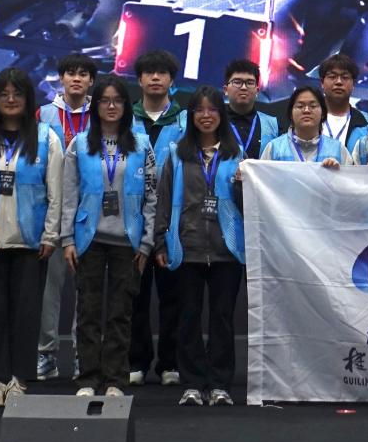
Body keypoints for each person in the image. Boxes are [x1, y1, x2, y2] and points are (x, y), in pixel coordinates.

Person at [0, 67, 66, 408]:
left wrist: (51, 235)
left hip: (31, 242)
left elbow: (56, 192)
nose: (10, 99)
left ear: (27, 98)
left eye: (17, 93)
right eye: (4, 94)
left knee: (25, 314)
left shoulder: (47, 138)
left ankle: (19, 380)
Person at [66, 75, 161, 397]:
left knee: (121, 314)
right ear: (95, 105)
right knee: (88, 313)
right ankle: (88, 379)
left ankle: (115, 380)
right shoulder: (80, 144)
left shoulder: (141, 144)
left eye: (117, 100)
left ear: (126, 106)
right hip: (89, 240)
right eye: (105, 100)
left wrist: (146, 243)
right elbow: (69, 195)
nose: (111, 106)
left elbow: (152, 196)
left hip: (128, 242)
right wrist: (67, 240)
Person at [153, 87, 246, 406]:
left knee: (222, 318)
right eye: (199, 110)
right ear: (191, 116)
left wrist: (242, 185)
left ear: (222, 114)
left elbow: (246, 203)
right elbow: (163, 199)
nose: (206, 116)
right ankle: (192, 383)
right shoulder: (177, 154)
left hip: (227, 248)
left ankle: (219, 384)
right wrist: (160, 241)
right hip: (186, 246)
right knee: (188, 317)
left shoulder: (236, 154)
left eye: (213, 109)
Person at [37, 53, 97, 380]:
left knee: (86, 291)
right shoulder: (43, 114)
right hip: (51, 210)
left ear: (91, 81)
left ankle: (80, 354)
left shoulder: (100, 115)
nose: (76, 79)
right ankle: (45, 353)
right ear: (61, 78)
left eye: (83, 74)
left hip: (88, 212)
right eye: (70, 73)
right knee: (49, 289)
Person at [130, 49, 187, 387]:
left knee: (173, 297)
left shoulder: (185, 121)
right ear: (139, 79)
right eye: (149, 72)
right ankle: (136, 360)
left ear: (171, 80)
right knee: (134, 295)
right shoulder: (126, 119)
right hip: (133, 220)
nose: (155, 78)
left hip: (172, 222)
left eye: (162, 73)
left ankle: (170, 362)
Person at [264, 87, 351, 165]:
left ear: (323, 113)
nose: (306, 110)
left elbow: (350, 177)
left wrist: (336, 173)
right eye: (300, 106)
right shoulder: (274, 148)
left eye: (313, 106)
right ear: (291, 114)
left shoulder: (338, 150)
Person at [221, 58, 278, 157]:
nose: (243, 87)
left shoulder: (273, 126)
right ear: (225, 90)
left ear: (257, 91)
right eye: (237, 82)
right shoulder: (214, 122)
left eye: (250, 83)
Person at [317, 53, 368, 154]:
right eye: (332, 77)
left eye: (345, 77)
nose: (339, 82)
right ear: (322, 82)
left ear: (354, 84)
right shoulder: (306, 118)